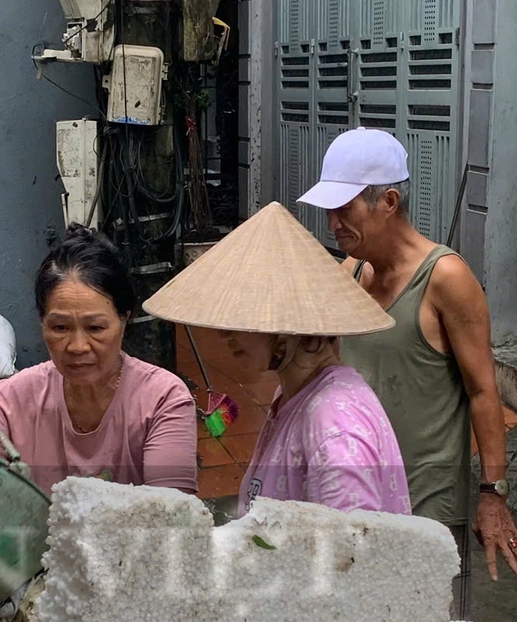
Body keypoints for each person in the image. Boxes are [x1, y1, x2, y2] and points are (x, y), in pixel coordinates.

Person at [296, 128, 517, 618]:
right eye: (329, 209)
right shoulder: (353, 273)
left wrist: (493, 495)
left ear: (388, 201)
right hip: (362, 496)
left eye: (345, 209)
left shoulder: (446, 279)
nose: (333, 222)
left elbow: (485, 394)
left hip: (428, 507)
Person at [145, 202, 408, 517]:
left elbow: (347, 554)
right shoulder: (295, 392)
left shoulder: (334, 428)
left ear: (288, 325)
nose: (223, 334)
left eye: (242, 318)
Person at [0, 224, 197, 496]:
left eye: (95, 328)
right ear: (42, 324)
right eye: (60, 328)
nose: (78, 347)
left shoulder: (162, 399)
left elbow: (173, 515)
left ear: (124, 320)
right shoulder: (11, 400)